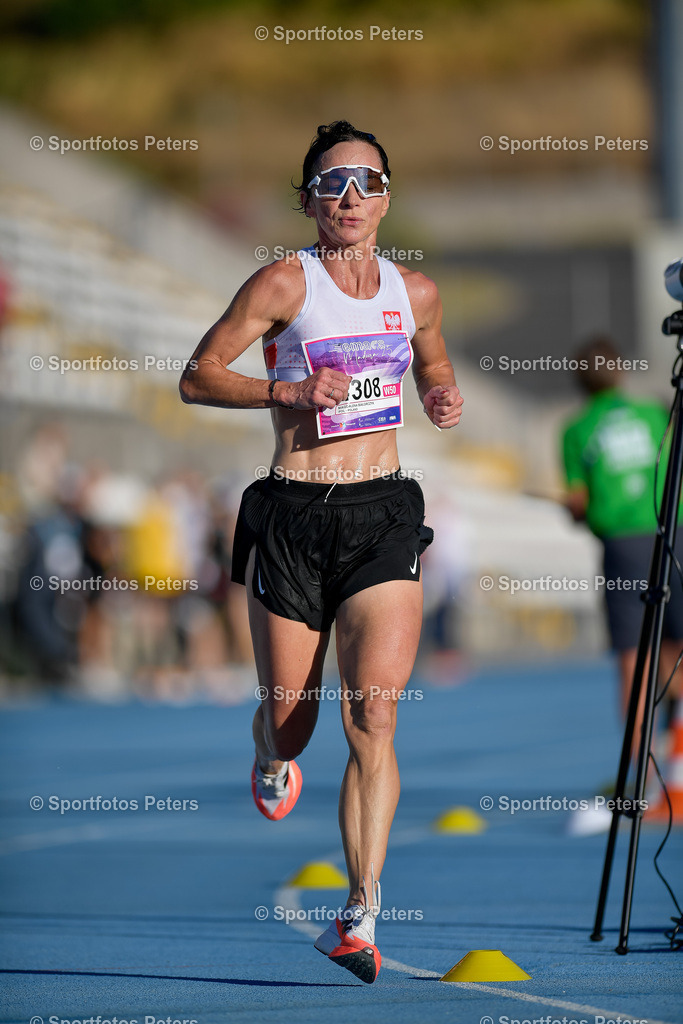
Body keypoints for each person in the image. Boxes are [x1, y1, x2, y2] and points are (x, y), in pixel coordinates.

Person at [180, 120, 462, 983]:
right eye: (332, 183)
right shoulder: (280, 282)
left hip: (382, 513)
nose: (349, 198)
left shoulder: (414, 292)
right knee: (298, 728)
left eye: (366, 183)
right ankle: (266, 746)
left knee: (373, 715)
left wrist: (441, 392)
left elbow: (433, 367)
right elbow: (197, 375)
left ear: (387, 197)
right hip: (293, 515)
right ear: (305, 200)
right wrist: (288, 389)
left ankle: (359, 913)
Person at [562, 335, 683, 771]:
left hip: (624, 547)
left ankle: (646, 781)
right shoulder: (653, 412)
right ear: (619, 372)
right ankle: (675, 765)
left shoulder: (576, 430)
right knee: (677, 648)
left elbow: (579, 502)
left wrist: (576, 508)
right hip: (674, 534)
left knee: (634, 658)